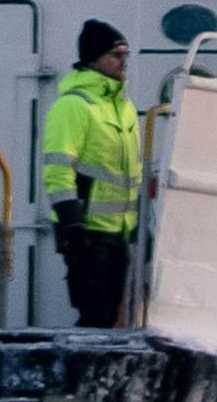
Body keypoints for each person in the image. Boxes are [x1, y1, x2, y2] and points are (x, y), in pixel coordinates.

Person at [37, 22, 148, 329]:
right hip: (86, 233)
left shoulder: (122, 107)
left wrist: (139, 223)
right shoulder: (73, 105)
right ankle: (81, 374)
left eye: (126, 54)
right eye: (116, 54)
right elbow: (58, 167)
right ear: (93, 59)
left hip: (118, 233)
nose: (124, 61)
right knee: (95, 317)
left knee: (110, 316)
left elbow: (130, 172)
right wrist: (71, 223)